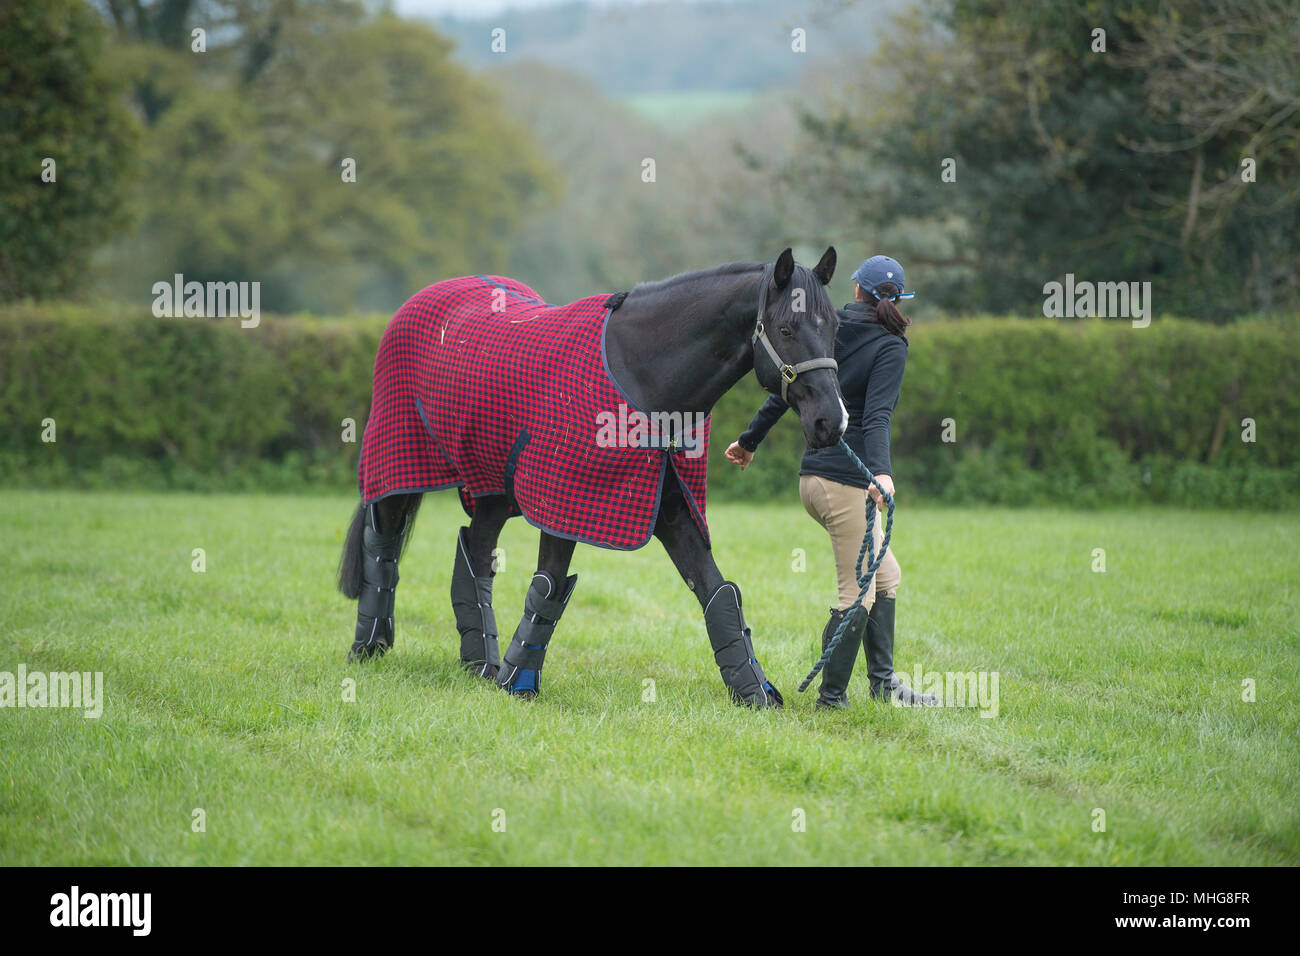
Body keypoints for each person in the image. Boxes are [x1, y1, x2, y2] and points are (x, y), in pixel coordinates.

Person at [725, 255, 935, 709]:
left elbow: (789, 389)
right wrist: (881, 472)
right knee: (856, 592)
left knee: (886, 575)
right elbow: (877, 416)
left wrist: (749, 440)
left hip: (815, 481)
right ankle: (832, 698)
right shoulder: (891, 344)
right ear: (897, 299)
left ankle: (883, 684)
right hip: (846, 485)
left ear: (857, 289)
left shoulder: (827, 324)